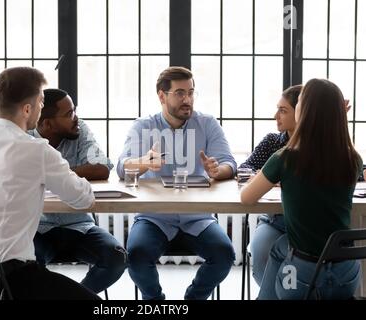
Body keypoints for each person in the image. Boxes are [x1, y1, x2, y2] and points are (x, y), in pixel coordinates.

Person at [0, 67, 100, 300]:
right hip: (11, 284)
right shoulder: (36, 150)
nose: (42, 108)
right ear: (27, 109)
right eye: (41, 102)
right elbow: (83, 199)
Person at [117, 66, 236, 300]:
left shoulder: (207, 124)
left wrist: (217, 170)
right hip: (154, 217)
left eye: (191, 93)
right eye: (180, 93)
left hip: (198, 217)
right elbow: (123, 168)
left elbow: (229, 163)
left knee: (224, 255)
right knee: (137, 256)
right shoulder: (143, 126)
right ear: (162, 96)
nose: (187, 99)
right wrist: (144, 162)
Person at [241, 78, 363, 300]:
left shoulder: (285, 158)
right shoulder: (353, 158)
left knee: (281, 247)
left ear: (304, 111)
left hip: (301, 275)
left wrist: (267, 177)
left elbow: (246, 197)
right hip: (348, 274)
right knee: (282, 244)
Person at [29, 88, 126, 294]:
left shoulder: (79, 130)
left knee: (116, 258)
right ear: (47, 124)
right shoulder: (25, 138)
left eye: (74, 111)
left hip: (79, 225)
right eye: (69, 114)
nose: (76, 118)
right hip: (38, 227)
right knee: (25, 266)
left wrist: (53, 175)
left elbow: (101, 167)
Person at [238, 84, 302, 286]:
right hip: (275, 220)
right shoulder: (273, 142)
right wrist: (265, 177)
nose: (276, 116)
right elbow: (244, 170)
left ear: (302, 112)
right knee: (262, 256)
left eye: (283, 111)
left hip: (307, 224)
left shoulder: (323, 150)